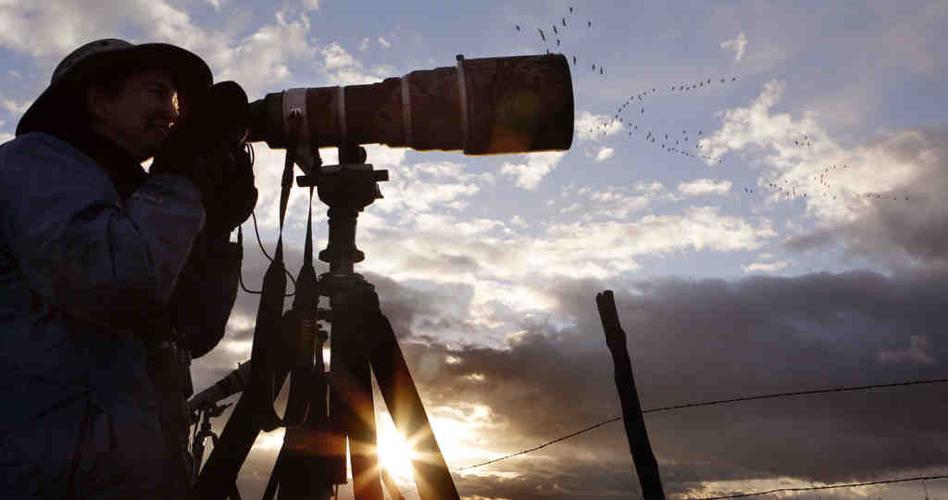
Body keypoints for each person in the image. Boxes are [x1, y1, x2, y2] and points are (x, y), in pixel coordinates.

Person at [0, 39, 257, 498]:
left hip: (129, 473)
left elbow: (191, 332)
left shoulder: (134, 198)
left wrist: (214, 231)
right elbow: (110, 282)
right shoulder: (32, 164)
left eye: (175, 100)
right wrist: (178, 180)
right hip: (48, 476)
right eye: (157, 93)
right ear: (99, 101)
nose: (173, 113)